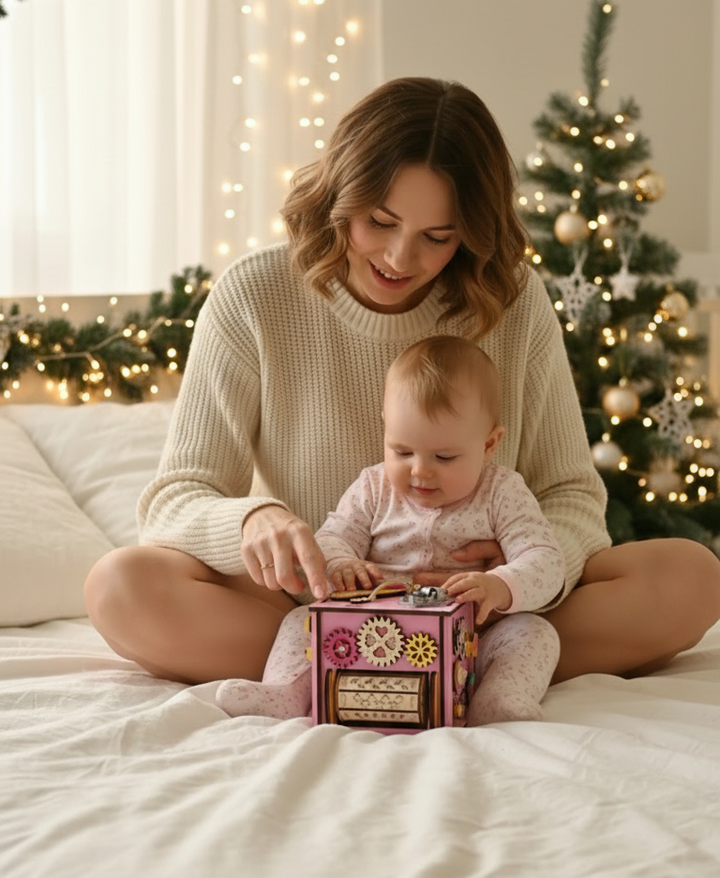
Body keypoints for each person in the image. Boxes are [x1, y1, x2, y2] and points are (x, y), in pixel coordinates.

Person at [84, 76, 720, 693]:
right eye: (379, 222)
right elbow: (174, 499)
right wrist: (256, 519)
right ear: (340, 195)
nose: (398, 258)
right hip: (319, 597)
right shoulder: (254, 295)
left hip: (492, 612)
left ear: (471, 233)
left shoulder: (514, 300)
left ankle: (441, 664)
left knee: (693, 577)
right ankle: (359, 660)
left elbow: (572, 496)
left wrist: (513, 576)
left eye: (437, 238)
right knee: (121, 587)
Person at [217, 336, 565, 725]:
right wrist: (341, 562)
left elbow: (546, 560)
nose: (420, 470)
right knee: (301, 622)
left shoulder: (502, 491)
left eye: (444, 457)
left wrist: (501, 585)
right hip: (370, 631)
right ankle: (289, 691)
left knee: (535, 633)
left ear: (489, 444)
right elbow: (332, 537)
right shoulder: (373, 486)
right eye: (402, 451)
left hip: (472, 639)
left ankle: (498, 696)